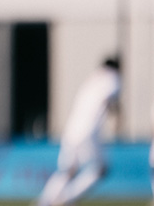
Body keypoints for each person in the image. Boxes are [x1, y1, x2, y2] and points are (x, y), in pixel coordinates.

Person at [35, 57, 121, 206]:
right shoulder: (113, 78)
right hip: (89, 131)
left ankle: (43, 203)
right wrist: (117, 115)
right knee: (100, 170)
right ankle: (67, 199)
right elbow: (109, 98)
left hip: (71, 130)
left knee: (66, 171)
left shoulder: (91, 80)